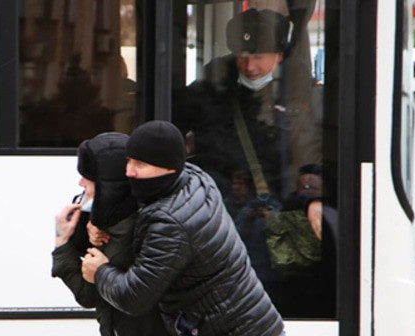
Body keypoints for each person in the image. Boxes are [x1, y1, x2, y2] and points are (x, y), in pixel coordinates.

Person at [172, 8, 322, 313]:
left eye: (259, 56)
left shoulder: (301, 95)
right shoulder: (207, 92)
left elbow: (313, 155)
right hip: (217, 214)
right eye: (243, 55)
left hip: (275, 220)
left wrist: (313, 198)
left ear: (280, 55)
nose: (250, 66)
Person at [81, 120, 285, 336]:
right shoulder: (194, 177)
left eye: (140, 165)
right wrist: (98, 220)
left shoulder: (172, 223)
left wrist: (100, 272)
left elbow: (135, 298)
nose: (129, 172)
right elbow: (142, 201)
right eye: (129, 161)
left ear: (168, 168)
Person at [51, 132, 168, 336]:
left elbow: (88, 295)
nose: (81, 183)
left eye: (88, 177)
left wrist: (99, 270)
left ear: (110, 184)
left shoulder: (141, 229)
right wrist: (67, 235)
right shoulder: (109, 220)